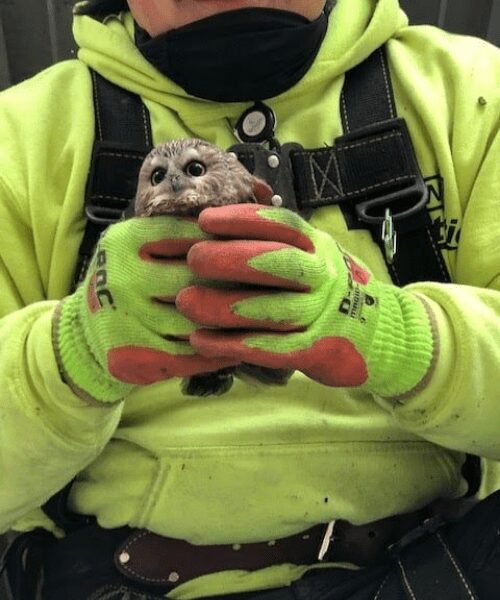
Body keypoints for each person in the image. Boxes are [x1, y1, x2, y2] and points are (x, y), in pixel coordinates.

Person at [0, 0, 499, 598]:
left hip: (436, 562)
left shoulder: (474, 91)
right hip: (118, 574)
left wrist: (398, 336)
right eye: (163, 178)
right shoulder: (20, 136)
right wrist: (65, 356)